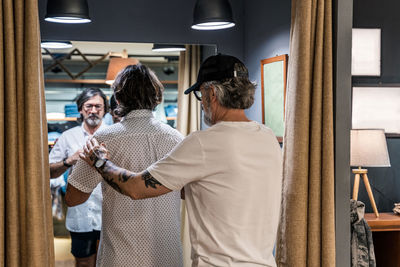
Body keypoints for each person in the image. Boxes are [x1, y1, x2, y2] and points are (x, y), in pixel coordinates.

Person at [79, 54, 283, 267]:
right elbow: (217, 189)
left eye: (200, 94)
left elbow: (136, 188)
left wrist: (100, 161)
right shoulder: (267, 137)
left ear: (211, 93)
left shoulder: (203, 143)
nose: (202, 103)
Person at [65, 64, 184, 267]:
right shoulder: (176, 139)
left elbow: (73, 198)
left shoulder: (102, 139)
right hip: (166, 254)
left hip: (120, 255)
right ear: (157, 97)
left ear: (118, 99)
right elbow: (187, 192)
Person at [49, 88, 109, 267]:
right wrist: (69, 161)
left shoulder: (114, 135)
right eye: (88, 106)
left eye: (98, 106)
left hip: (109, 214)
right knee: (83, 263)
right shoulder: (67, 137)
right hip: (80, 214)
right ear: (81, 109)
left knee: (108, 262)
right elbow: (49, 171)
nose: (93, 110)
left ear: (105, 110)